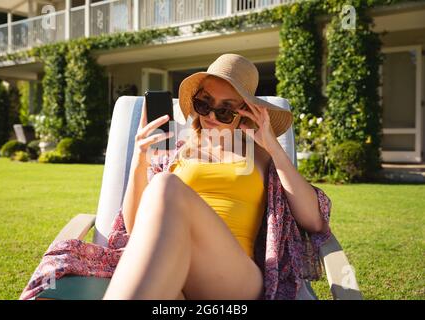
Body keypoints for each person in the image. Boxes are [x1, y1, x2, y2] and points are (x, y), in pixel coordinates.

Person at [103, 53, 331, 300]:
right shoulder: (173, 154)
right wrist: (140, 158)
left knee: (165, 183)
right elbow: (136, 230)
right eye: (204, 103)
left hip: (235, 279)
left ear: (244, 112)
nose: (211, 116)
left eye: (225, 110)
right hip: (177, 271)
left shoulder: (262, 155)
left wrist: (273, 146)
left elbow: (313, 221)